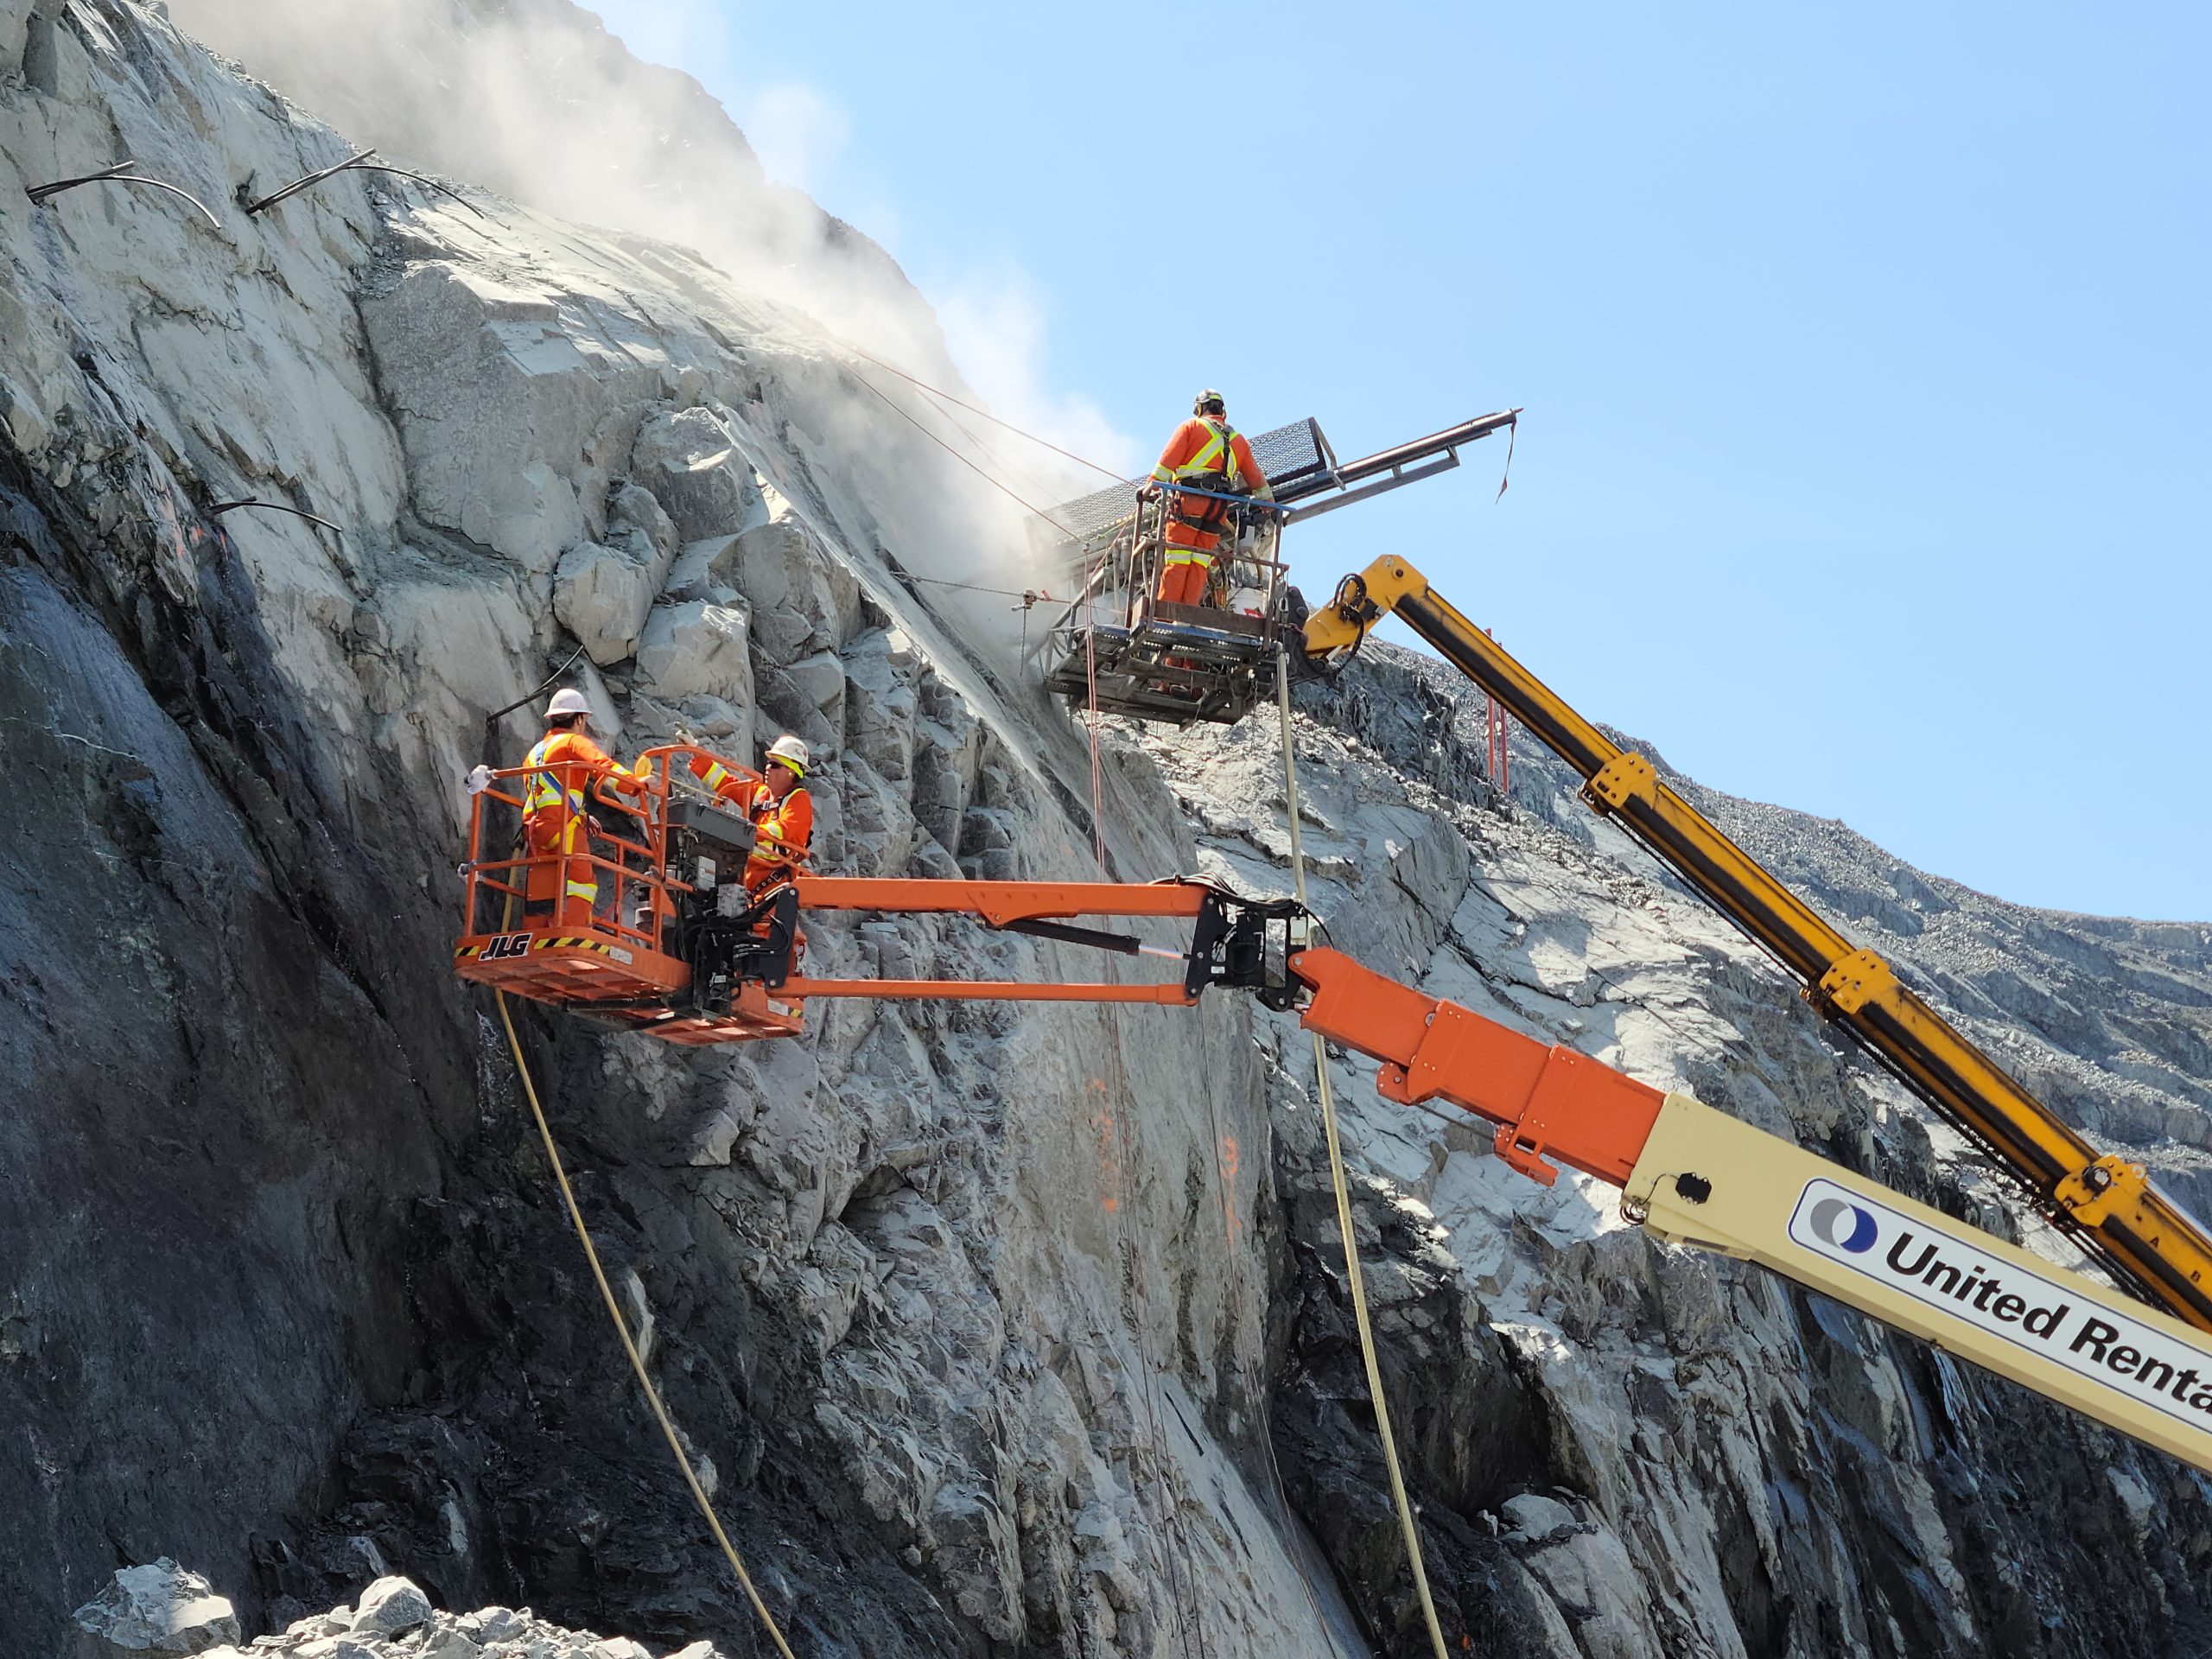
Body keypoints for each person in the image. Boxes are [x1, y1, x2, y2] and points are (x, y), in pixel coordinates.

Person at [687, 734, 814, 986]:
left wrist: (748, 835)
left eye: (775, 765)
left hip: (771, 889)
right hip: (748, 885)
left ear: (792, 772)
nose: (767, 769)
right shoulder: (761, 794)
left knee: (764, 939)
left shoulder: (798, 801)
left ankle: (755, 986)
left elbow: (786, 834)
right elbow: (727, 783)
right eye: (767, 763)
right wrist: (697, 754)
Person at [520, 688, 647, 926]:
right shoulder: (573, 743)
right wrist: (634, 784)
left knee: (541, 885)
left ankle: (534, 934)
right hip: (561, 826)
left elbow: (550, 791)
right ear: (578, 719)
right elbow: (602, 767)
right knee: (582, 883)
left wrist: (581, 815)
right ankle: (572, 932)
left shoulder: (535, 752)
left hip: (534, 830)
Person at [1147, 389, 1273, 607]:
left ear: (1199, 409)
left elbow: (1167, 462)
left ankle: (1167, 615)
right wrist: (1268, 503)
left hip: (1188, 503)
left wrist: (1151, 487)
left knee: (1178, 560)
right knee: (1199, 562)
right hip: (1217, 510)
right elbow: (1256, 479)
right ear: (1223, 411)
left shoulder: (1190, 427)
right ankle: (1187, 615)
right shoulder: (1238, 441)